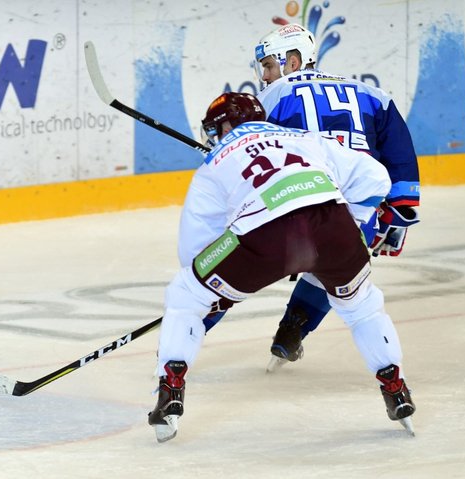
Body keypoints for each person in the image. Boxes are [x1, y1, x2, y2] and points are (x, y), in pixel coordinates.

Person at [148, 92, 415, 443]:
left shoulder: (212, 164)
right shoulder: (307, 139)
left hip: (264, 238)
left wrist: (214, 293)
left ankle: (171, 387)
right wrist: (352, 223)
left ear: (227, 125)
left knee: (185, 293)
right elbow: (376, 178)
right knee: (362, 308)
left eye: (216, 129)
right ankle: (395, 387)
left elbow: (195, 249)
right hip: (334, 228)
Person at [204, 23, 421, 372]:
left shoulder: (273, 96)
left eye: (269, 66)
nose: (265, 76)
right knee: (333, 265)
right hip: (357, 204)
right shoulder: (373, 94)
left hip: (299, 199)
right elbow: (399, 154)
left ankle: (189, 333)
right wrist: (399, 210)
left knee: (238, 263)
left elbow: (252, 153)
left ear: (293, 61)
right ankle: (293, 331)